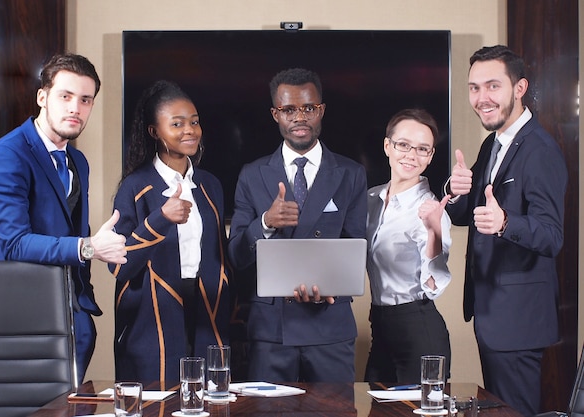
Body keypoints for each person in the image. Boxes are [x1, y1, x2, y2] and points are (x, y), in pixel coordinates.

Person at [0, 53, 128, 383]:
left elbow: (70, 227)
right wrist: (88, 247)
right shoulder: (5, 157)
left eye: (85, 100)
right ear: (42, 97)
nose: (76, 108)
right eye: (66, 96)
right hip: (18, 325)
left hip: (72, 322)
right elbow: (14, 244)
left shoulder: (78, 162)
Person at [445, 45, 567, 417]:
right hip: (492, 314)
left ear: (519, 88)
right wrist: (458, 193)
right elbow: (472, 215)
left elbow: (551, 236)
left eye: (492, 86)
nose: (481, 98)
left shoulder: (540, 150)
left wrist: (507, 223)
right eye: (474, 88)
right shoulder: (492, 143)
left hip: (518, 320)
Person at [227, 68, 367, 383]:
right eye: (289, 110)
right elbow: (236, 256)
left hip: (330, 326)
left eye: (308, 108)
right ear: (276, 114)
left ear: (321, 110)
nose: (299, 117)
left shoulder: (351, 173)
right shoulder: (252, 174)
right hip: (271, 330)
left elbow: (356, 247)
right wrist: (265, 223)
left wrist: (329, 288)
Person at [108, 80, 231, 387]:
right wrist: (161, 219)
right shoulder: (134, 187)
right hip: (152, 318)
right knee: (158, 401)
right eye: (177, 124)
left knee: (209, 398)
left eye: (194, 122)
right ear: (154, 131)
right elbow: (119, 266)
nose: (189, 130)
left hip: (207, 313)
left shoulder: (210, 184)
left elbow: (221, 255)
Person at [365, 108, 452, 384]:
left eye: (423, 149)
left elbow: (433, 283)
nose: (411, 155)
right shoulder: (370, 199)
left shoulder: (430, 210)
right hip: (379, 327)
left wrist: (434, 233)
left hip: (418, 329)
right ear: (387, 146)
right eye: (403, 145)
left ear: (430, 156)